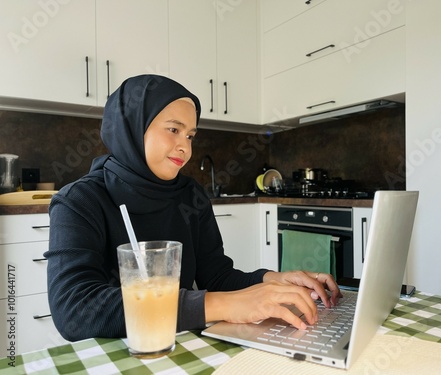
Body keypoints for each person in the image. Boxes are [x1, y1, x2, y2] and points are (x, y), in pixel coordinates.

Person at [45, 74, 341, 342]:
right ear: (132, 127)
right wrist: (224, 305)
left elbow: (218, 277)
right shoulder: (80, 200)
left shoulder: (189, 195)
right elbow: (75, 310)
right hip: (112, 354)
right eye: (173, 129)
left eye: (190, 135)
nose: (185, 147)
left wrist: (275, 280)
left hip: (175, 346)